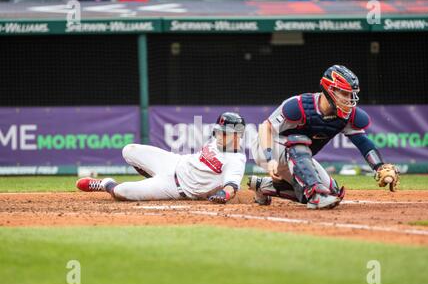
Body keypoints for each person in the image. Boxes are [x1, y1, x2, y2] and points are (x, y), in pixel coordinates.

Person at [248, 65, 399, 210]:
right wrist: (270, 159)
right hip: (266, 147)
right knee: (299, 143)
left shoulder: (346, 116)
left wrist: (379, 166)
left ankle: (264, 186)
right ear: (330, 89)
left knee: (333, 192)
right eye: (344, 93)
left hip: (294, 156)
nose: (349, 99)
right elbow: (265, 129)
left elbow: (362, 142)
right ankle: (316, 195)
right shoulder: (298, 106)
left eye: (351, 94)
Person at [76, 112, 247, 204]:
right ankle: (152, 179)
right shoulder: (216, 141)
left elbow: (232, 186)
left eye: (225, 133)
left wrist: (224, 195)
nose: (219, 135)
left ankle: (105, 183)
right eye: (219, 131)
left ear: (237, 136)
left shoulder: (235, 160)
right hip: (174, 162)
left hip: (175, 187)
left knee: (121, 192)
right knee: (129, 150)